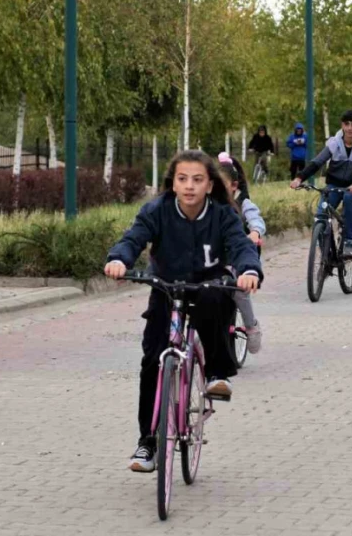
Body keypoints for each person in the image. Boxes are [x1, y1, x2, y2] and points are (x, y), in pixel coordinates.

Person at [104, 150, 262, 473]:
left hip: (208, 285)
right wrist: (120, 259)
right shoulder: (157, 210)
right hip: (165, 287)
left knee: (212, 302)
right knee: (152, 359)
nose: (189, 186)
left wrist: (249, 270)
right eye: (182, 179)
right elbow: (134, 237)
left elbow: (241, 245)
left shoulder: (222, 214)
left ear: (209, 185)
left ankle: (217, 373)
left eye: (198, 180)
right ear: (172, 184)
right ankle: (148, 441)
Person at [290, 109, 352, 260]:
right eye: (346, 124)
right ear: (342, 125)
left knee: (349, 198)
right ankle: (326, 255)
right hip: (334, 185)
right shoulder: (334, 143)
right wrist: (299, 178)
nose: (349, 128)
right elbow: (317, 162)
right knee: (321, 217)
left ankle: (349, 241)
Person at [220, 157, 266, 355]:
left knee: (240, 289)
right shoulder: (206, 206)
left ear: (233, 186)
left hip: (239, 256)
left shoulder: (243, 203)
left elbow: (256, 220)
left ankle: (251, 326)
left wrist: (254, 232)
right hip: (214, 257)